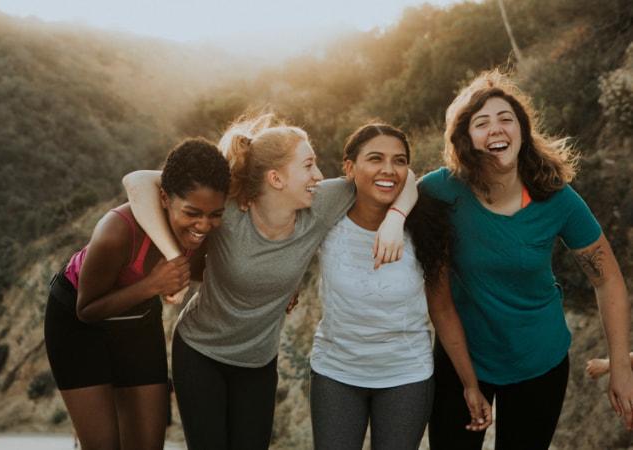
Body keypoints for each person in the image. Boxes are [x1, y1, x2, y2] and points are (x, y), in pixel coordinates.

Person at [122, 113, 417, 450]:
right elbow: (137, 182)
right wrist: (174, 257)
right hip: (200, 352)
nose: (319, 176)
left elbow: (400, 178)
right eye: (308, 166)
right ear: (276, 178)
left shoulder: (321, 203)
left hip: (258, 363)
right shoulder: (229, 208)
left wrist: (395, 219)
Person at [422, 69, 633, 450]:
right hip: (462, 359)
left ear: (522, 130)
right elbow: (395, 187)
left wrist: (620, 368)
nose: (497, 128)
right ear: (466, 138)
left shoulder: (556, 197)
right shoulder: (442, 189)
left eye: (507, 119)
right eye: (481, 122)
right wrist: (392, 220)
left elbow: (608, 280)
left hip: (540, 361)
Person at [309, 123, 492, 450]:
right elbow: (284, 240)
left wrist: (470, 384)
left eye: (399, 160)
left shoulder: (426, 229)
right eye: (375, 159)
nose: (388, 170)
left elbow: (443, 309)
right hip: (335, 371)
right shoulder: (327, 216)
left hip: (406, 376)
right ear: (349, 168)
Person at [43, 137, 230, 450]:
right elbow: (86, 310)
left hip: (138, 322)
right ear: (165, 198)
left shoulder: (203, 233)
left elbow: (210, 271)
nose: (203, 225)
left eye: (215, 214)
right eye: (193, 212)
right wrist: (152, 286)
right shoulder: (117, 231)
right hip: (77, 326)